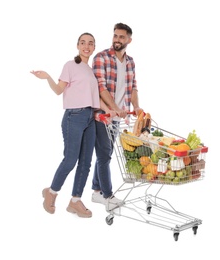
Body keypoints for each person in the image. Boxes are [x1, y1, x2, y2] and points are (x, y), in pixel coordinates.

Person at [30, 32, 100, 218]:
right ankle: (51, 192)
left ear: (94, 47)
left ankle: (75, 201)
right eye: (83, 43)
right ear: (77, 45)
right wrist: (47, 78)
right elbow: (59, 91)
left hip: (90, 117)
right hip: (74, 117)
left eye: (91, 43)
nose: (87, 46)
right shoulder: (71, 65)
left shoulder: (91, 70)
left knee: (85, 162)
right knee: (70, 160)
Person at [91, 23, 143, 210]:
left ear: (129, 40)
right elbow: (101, 87)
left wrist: (136, 107)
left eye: (121, 37)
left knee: (107, 154)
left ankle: (97, 192)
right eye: (115, 36)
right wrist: (114, 108)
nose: (117, 40)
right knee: (105, 156)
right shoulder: (101, 58)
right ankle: (107, 195)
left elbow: (133, 87)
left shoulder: (130, 62)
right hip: (103, 115)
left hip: (118, 117)